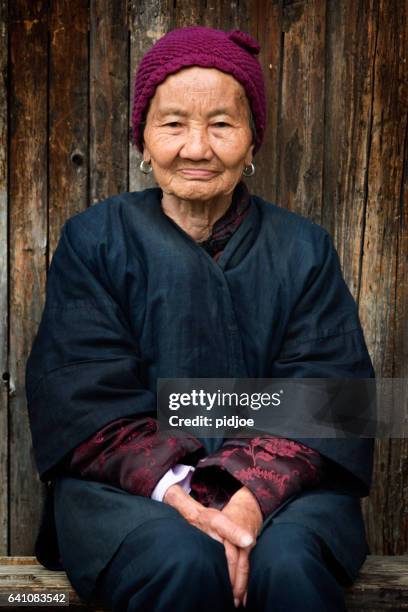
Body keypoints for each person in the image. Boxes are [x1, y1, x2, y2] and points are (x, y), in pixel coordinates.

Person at [25, 26, 375, 612]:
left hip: (286, 488)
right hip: (132, 493)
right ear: (143, 138)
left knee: (287, 566)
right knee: (181, 561)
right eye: (173, 124)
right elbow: (80, 393)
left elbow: (334, 396)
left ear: (253, 140)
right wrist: (183, 495)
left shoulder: (304, 249)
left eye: (221, 124)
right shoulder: (94, 241)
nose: (196, 147)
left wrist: (249, 496)